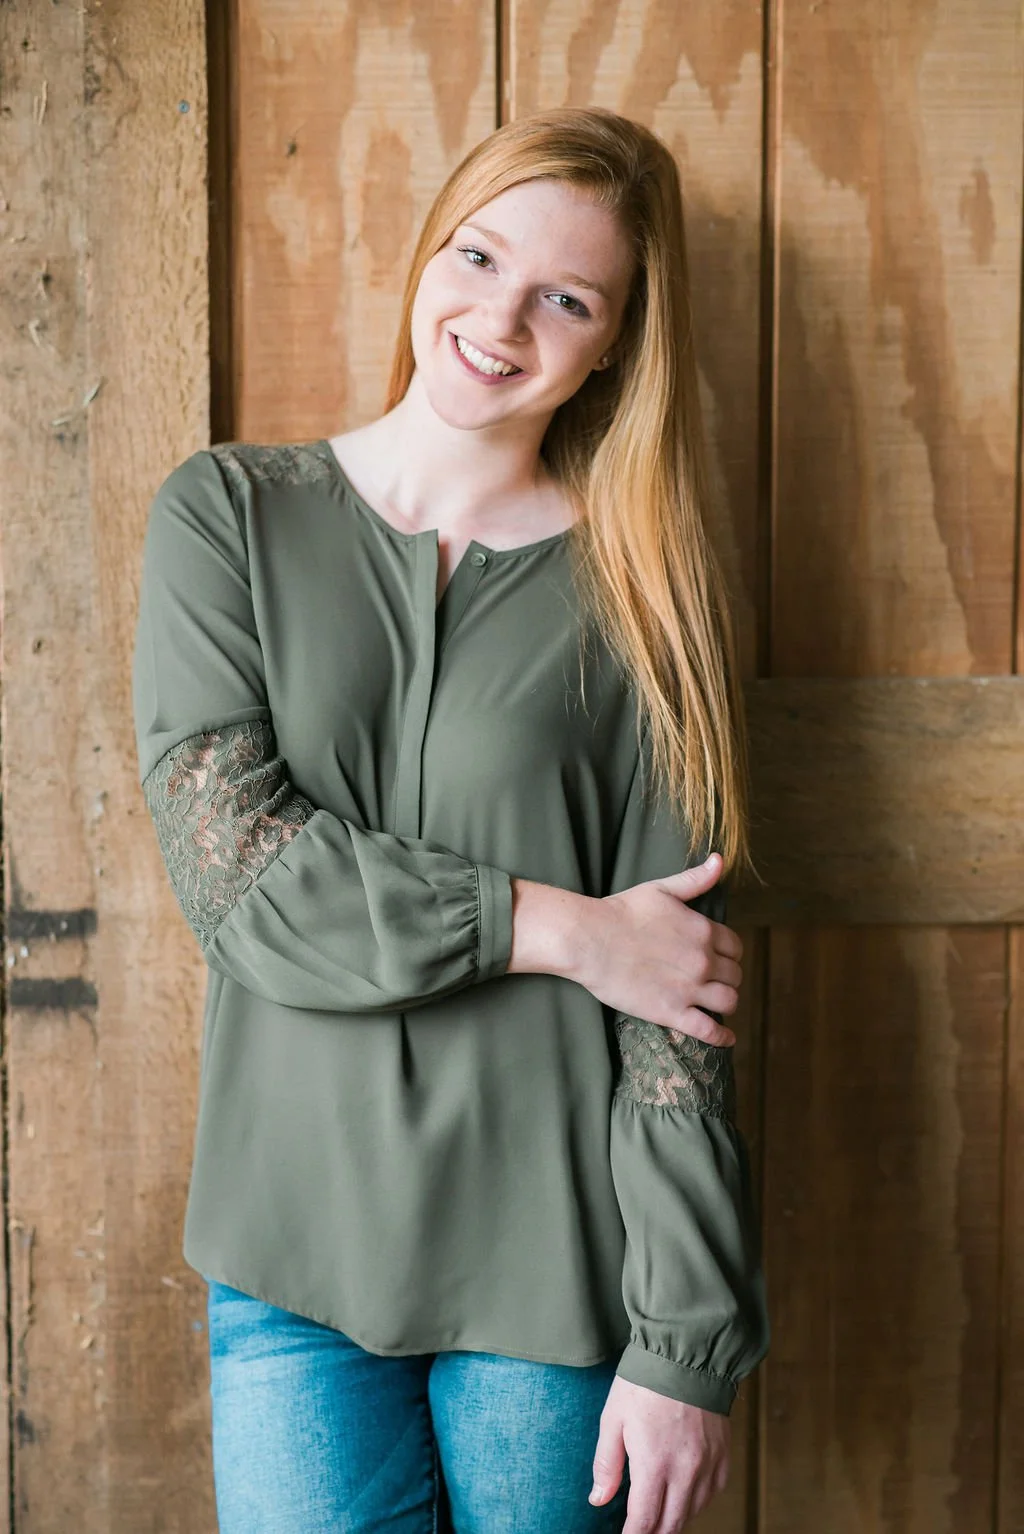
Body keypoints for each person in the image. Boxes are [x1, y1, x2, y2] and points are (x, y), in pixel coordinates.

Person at [132, 105, 769, 1534]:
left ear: (615, 344)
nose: (500, 317)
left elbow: (674, 1008)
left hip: (551, 1275)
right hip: (292, 1254)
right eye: (478, 255)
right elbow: (246, 879)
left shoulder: (646, 602)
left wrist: (686, 1344)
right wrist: (564, 929)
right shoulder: (226, 517)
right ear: (427, 250)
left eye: (567, 296)